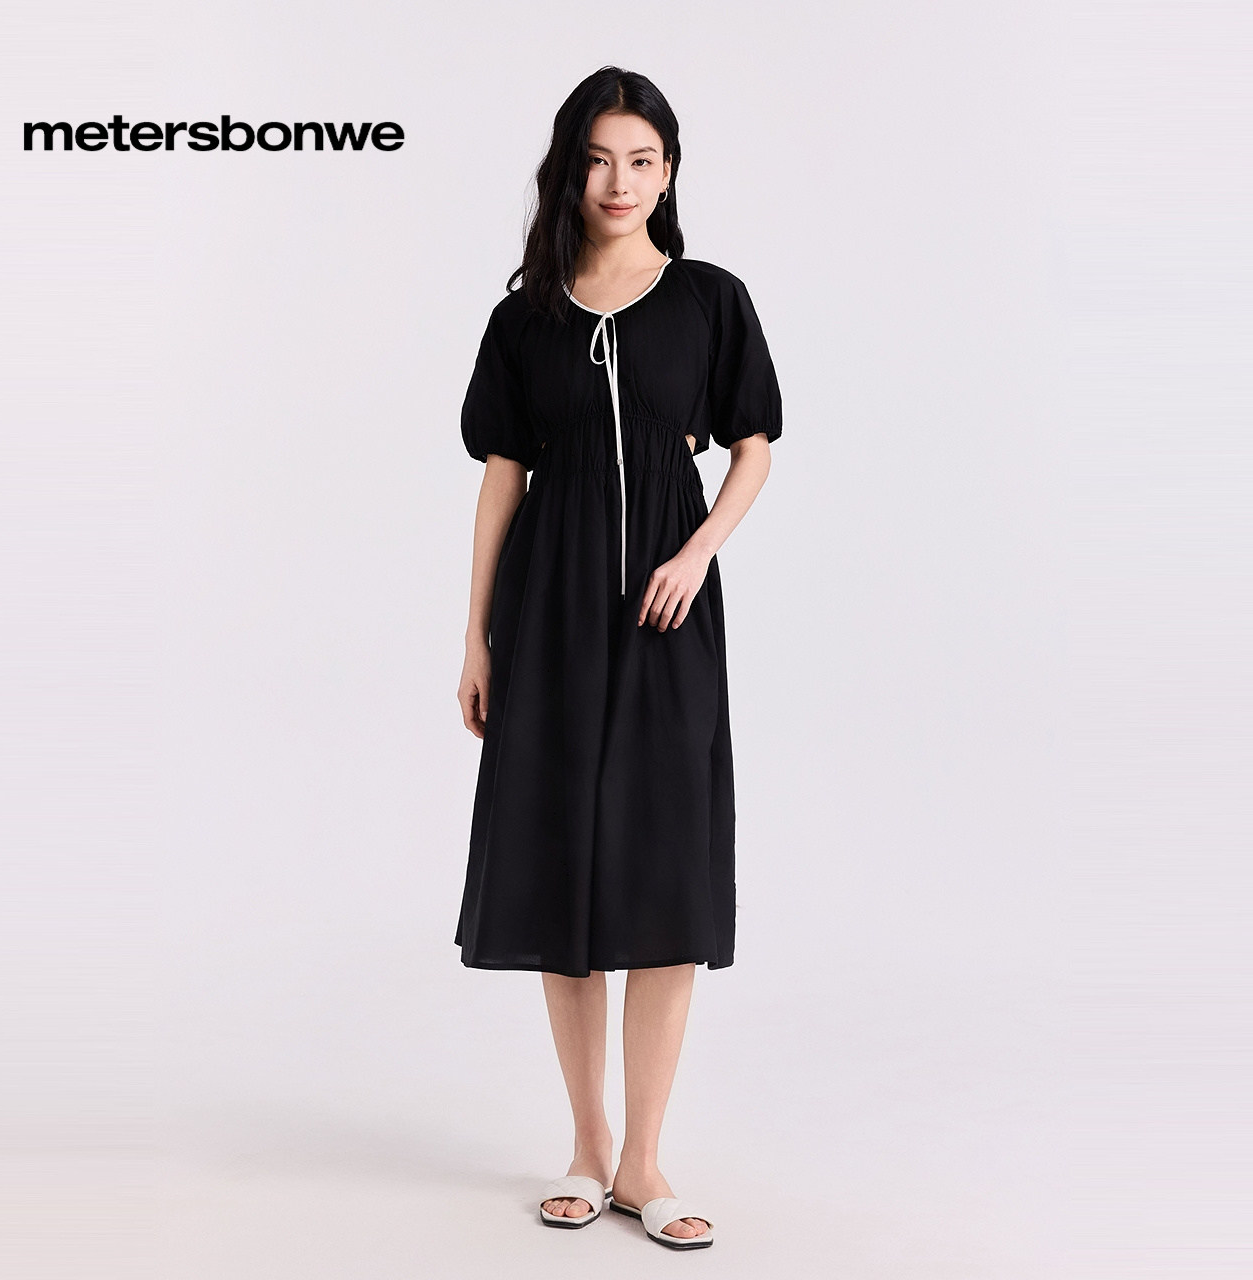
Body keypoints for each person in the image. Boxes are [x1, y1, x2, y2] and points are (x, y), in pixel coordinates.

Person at [454, 66, 782, 1251]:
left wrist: (695, 551)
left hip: (664, 613)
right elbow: (501, 479)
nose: (618, 181)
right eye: (597, 159)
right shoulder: (524, 318)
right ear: (568, 169)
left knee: (659, 869)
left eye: (641, 159)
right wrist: (476, 634)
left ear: (669, 170)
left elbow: (752, 443)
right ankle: (588, 1147)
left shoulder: (707, 299)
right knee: (561, 867)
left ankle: (646, 1159)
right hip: (546, 612)